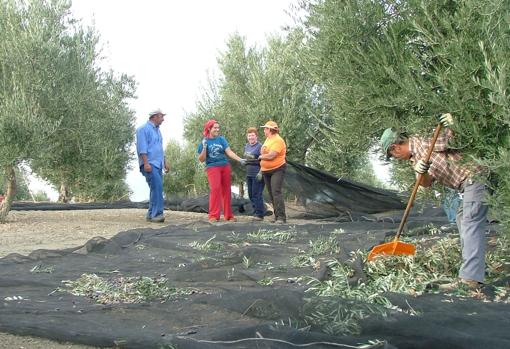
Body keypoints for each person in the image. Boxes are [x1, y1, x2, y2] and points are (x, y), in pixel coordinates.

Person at [380, 113, 489, 290]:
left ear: (395, 148)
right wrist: (421, 172)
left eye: (391, 156)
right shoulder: (415, 159)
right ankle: (474, 270)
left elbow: (453, 136)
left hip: (475, 177)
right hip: (466, 185)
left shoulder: (424, 142)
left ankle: (470, 279)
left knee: (470, 221)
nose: (395, 159)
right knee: (463, 218)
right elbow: (426, 183)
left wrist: (454, 121)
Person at [198, 119, 246, 223]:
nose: (217, 129)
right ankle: (213, 216)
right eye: (215, 128)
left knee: (226, 190)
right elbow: (201, 159)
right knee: (215, 189)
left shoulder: (221, 139)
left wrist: (240, 159)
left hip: (225, 166)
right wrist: (204, 148)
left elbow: (229, 152)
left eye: (218, 128)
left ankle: (228, 216)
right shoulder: (204, 141)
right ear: (209, 128)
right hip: (212, 167)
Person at [136, 109, 170, 223]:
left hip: (158, 164)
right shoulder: (143, 130)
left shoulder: (158, 131)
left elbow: (159, 148)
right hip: (149, 163)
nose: (163, 119)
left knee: (155, 189)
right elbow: (142, 148)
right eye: (161, 116)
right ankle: (157, 214)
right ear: (154, 117)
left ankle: (151, 214)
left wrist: (164, 162)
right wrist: (146, 163)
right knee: (157, 188)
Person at [258, 121, 287, 224]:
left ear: (270, 130)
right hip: (266, 170)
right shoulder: (268, 139)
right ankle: (276, 216)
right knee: (271, 193)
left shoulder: (278, 140)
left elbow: (271, 155)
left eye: (265, 128)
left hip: (277, 169)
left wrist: (261, 156)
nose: (264, 130)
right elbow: (264, 151)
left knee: (276, 192)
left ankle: (281, 218)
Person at [243, 127, 265, 221]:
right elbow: (247, 157)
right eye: (249, 135)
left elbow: (264, 160)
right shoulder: (246, 146)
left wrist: (261, 172)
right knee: (251, 194)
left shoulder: (260, 146)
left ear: (256, 136)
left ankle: (259, 214)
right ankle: (256, 211)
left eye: (252, 135)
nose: (251, 137)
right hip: (249, 173)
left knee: (257, 194)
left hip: (257, 173)